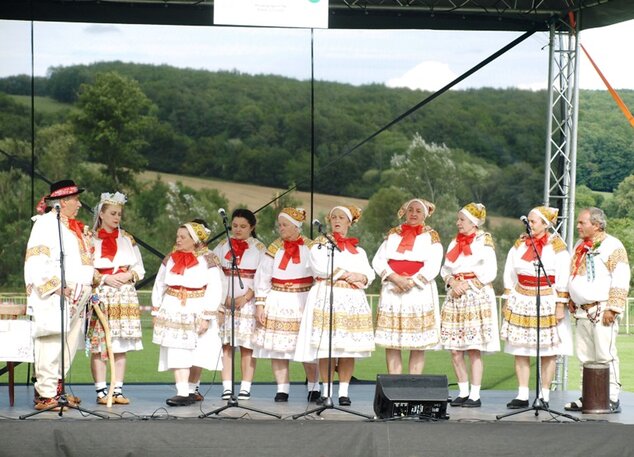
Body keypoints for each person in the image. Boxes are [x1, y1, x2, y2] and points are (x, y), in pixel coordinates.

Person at [25, 179, 94, 411]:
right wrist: (55, 286)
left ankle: (57, 389)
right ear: (63, 202)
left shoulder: (72, 227)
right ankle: (45, 393)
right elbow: (36, 259)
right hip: (56, 294)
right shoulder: (45, 224)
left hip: (76, 294)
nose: (79, 204)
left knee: (69, 343)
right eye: (75, 199)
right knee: (51, 340)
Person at [296, 205, 375, 405]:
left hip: (351, 301)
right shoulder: (320, 246)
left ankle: (344, 392)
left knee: (347, 348)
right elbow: (320, 267)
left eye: (341, 217)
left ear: (350, 222)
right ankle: (327, 391)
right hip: (327, 296)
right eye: (334, 217)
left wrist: (361, 277)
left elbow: (369, 273)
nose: (337, 221)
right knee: (327, 347)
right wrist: (349, 275)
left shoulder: (358, 250)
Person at [500, 206, 573, 409]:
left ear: (545, 224)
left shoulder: (557, 247)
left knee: (548, 350)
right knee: (520, 348)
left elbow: (563, 276)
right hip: (522, 297)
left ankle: (544, 394)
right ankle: (522, 394)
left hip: (547, 298)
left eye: (533, 221)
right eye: (529, 221)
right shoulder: (520, 245)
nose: (530, 224)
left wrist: (560, 304)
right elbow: (510, 270)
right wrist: (509, 297)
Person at [152, 220, 224, 406]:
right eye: (177, 236)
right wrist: (155, 309)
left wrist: (207, 316)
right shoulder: (171, 258)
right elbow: (160, 283)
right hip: (173, 306)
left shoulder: (208, 259)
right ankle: (182, 391)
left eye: (183, 237)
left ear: (195, 240)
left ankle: (191, 390)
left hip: (197, 307)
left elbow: (215, 287)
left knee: (197, 350)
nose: (178, 240)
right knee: (177, 349)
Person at [565, 207, 630, 413]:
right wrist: (571, 297)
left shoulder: (613, 246)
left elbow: (621, 276)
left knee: (605, 354)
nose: (578, 226)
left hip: (602, 309)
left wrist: (614, 307)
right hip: (582, 310)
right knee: (585, 356)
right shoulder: (579, 245)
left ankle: (611, 397)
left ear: (596, 224)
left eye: (581, 222)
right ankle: (589, 396)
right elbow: (574, 273)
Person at [253, 207, 320, 402]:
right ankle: (282, 388)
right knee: (279, 348)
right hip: (279, 298)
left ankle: (313, 386)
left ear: (296, 226)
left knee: (307, 346)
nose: (280, 228)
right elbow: (263, 276)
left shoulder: (311, 246)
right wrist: (260, 303)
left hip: (303, 299)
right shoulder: (275, 247)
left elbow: (319, 275)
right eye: (280, 224)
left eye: (285, 225)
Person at [372, 198, 442, 375]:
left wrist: (410, 282)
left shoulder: (431, 235)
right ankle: (394, 383)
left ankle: (413, 383)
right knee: (392, 340)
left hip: (418, 291)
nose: (414, 214)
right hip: (392, 289)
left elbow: (434, 264)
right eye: (411, 210)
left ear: (425, 215)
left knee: (417, 341)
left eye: (418, 211)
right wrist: (395, 278)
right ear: (405, 211)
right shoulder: (394, 234)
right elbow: (379, 260)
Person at [87, 192, 145, 405]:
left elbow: (140, 268)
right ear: (101, 214)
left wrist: (128, 275)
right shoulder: (90, 239)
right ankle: (101, 391)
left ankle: (117, 389)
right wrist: (104, 279)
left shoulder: (127, 239)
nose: (117, 217)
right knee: (99, 345)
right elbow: (84, 268)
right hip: (102, 294)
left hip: (124, 294)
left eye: (119, 214)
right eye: (112, 213)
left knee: (120, 345)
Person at [440, 203, 500, 408]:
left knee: (474, 348)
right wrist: (452, 282)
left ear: (473, 223)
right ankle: (463, 391)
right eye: (458, 219)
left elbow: (490, 271)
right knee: (455, 349)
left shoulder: (484, 241)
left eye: (462, 220)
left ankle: (475, 394)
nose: (458, 223)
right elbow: (445, 269)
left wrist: (467, 284)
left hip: (475, 295)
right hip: (456, 295)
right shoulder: (453, 243)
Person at [212, 209, 266, 401]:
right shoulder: (222, 245)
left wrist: (247, 296)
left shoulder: (259, 248)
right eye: (234, 226)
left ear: (252, 227)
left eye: (243, 226)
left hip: (247, 302)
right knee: (226, 345)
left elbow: (261, 276)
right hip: (226, 301)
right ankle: (227, 386)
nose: (237, 230)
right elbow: (214, 271)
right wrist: (224, 297)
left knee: (246, 346)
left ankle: (245, 386)